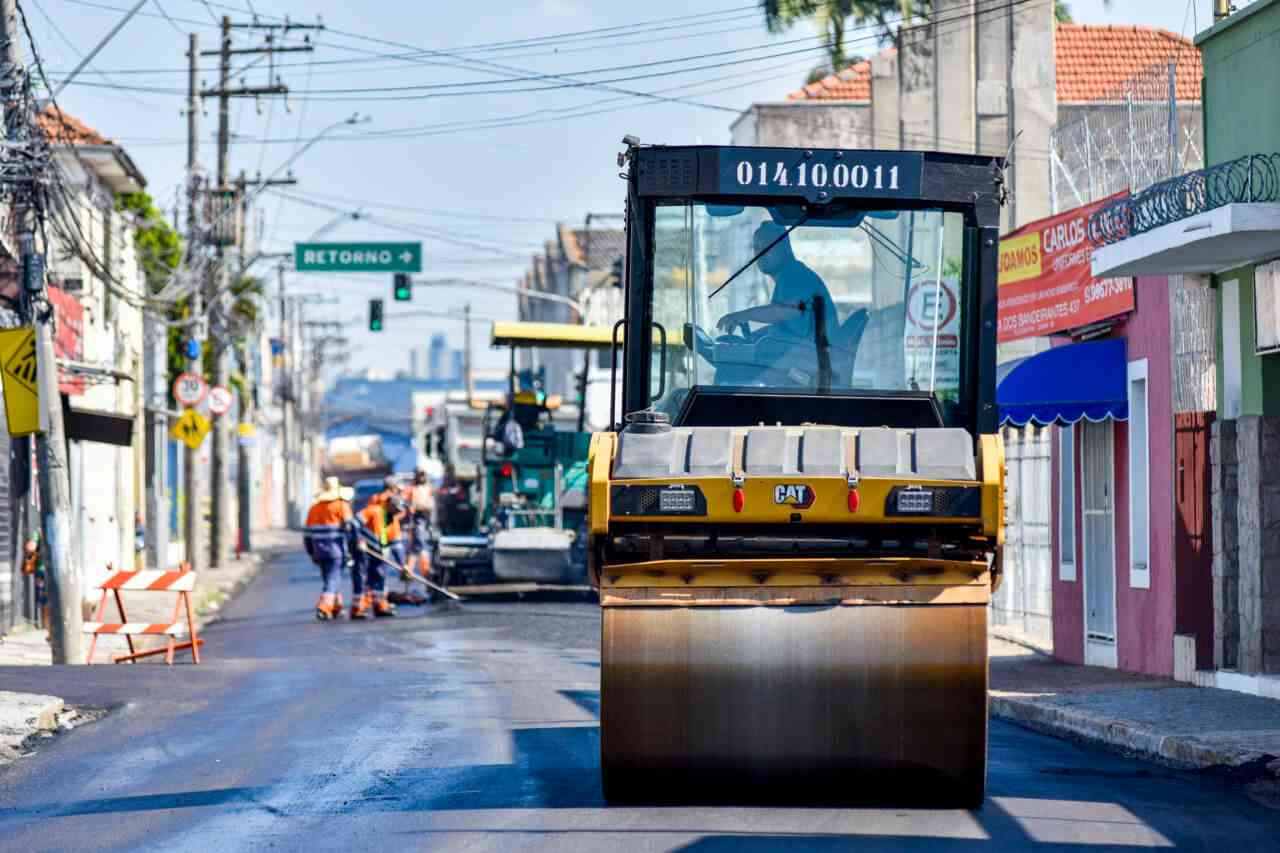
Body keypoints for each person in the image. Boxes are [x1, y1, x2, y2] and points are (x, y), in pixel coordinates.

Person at [716, 221, 838, 343]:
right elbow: (787, 328)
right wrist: (753, 338)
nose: (760, 254)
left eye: (768, 247)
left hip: (822, 358)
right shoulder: (787, 278)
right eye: (757, 248)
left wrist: (741, 316)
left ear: (785, 247)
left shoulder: (796, 275)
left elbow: (783, 312)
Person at [354, 480, 408, 619]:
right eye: (396, 509)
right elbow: (353, 525)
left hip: (379, 553)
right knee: (362, 577)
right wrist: (359, 540)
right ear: (389, 505)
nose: (397, 512)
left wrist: (403, 565)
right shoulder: (373, 510)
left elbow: (397, 545)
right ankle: (358, 608)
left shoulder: (394, 521)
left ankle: (379, 605)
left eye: (399, 511)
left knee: (379, 577)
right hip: (364, 550)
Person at [303, 476, 353, 621]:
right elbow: (350, 529)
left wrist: (311, 552)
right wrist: (352, 548)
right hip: (336, 550)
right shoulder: (341, 506)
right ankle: (324, 607)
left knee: (329, 577)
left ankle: (336, 607)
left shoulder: (313, 509)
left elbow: (307, 535)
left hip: (319, 550)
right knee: (333, 579)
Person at [405, 469, 435, 585]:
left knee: (418, 548)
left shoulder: (427, 488)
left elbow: (430, 503)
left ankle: (411, 572)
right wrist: (413, 507)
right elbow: (407, 504)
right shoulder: (412, 489)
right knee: (419, 547)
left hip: (425, 519)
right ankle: (423, 573)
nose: (423, 478)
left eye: (424, 476)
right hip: (416, 520)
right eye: (420, 476)